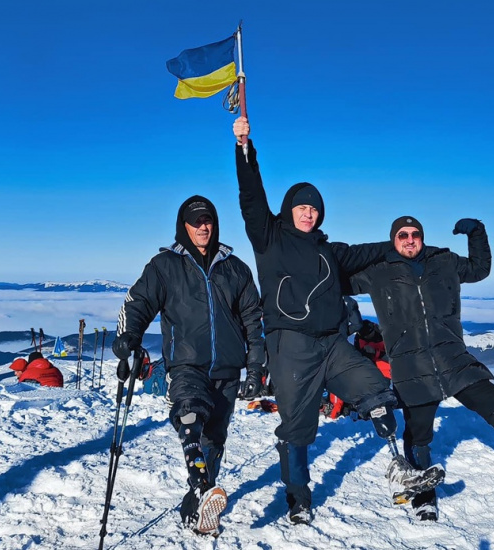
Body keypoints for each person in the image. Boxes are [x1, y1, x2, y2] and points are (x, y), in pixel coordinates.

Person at [233, 117, 443, 525]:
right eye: (301, 207)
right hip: (290, 346)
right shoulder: (269, 237)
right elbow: (251, 199)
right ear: (289, 210)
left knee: (378, 391)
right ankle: (299, 498)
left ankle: (400, 471)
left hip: (332, 345)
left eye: (314, 208)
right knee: (298, 428)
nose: (308, 213)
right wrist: (245, 149)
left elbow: (369, 252)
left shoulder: (330, 251)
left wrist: (404, 244)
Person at [348, 216, 494, 519]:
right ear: (393, 239)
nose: (410, 239)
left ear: (422, 237)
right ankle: (423, 495)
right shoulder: (377, 272)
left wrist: (477, 233)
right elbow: (333, 281)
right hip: (411, 365)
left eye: (415, 234)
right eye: (402, 235)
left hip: (452, 357)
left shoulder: (445, 262)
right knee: (418, 434)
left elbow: (480, 269)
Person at [113, 194, 266, 535]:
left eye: (208, 220)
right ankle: (199, 483)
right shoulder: (165, 266)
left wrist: (255, 368)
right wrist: (128, 339)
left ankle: (197, 500)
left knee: (214, 440)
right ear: (183, 226)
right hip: (185, 365)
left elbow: (255, 321)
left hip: (227, 369)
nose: (203, 226)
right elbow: (137, 304)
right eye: (195, 221)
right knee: (190, 413)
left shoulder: (235, 268)